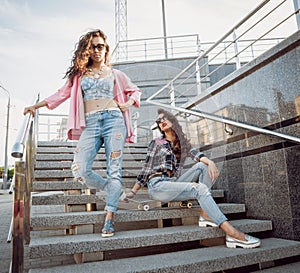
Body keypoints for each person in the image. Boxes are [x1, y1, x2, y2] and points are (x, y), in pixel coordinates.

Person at [24, 29, 141, 238]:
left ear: (106, 49)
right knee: (80, 169)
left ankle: (109, 217)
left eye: (101, 46)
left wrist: (128, 103)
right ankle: (114, 190)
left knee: (115, 170)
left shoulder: (116, 74)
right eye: (93, 46)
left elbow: (135, 90)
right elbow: (61, 94)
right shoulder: (79, 75)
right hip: (91, 122)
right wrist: (36, 106)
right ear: (86, 50)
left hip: (114, 120)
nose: (97, 50)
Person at [126, 108, 260, 249]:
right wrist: (133, 192)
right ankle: (232, 233)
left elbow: (197, 155)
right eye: (159, 121)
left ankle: (205, 214)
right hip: (158, 185)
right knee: (200, 188)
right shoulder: (157, 142)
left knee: (203, 166)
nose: (161, 122)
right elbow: (146, 169)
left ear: (173, 120)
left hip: (173, 183)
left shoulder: (181, 143)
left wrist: (210, 162)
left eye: (164, 118)